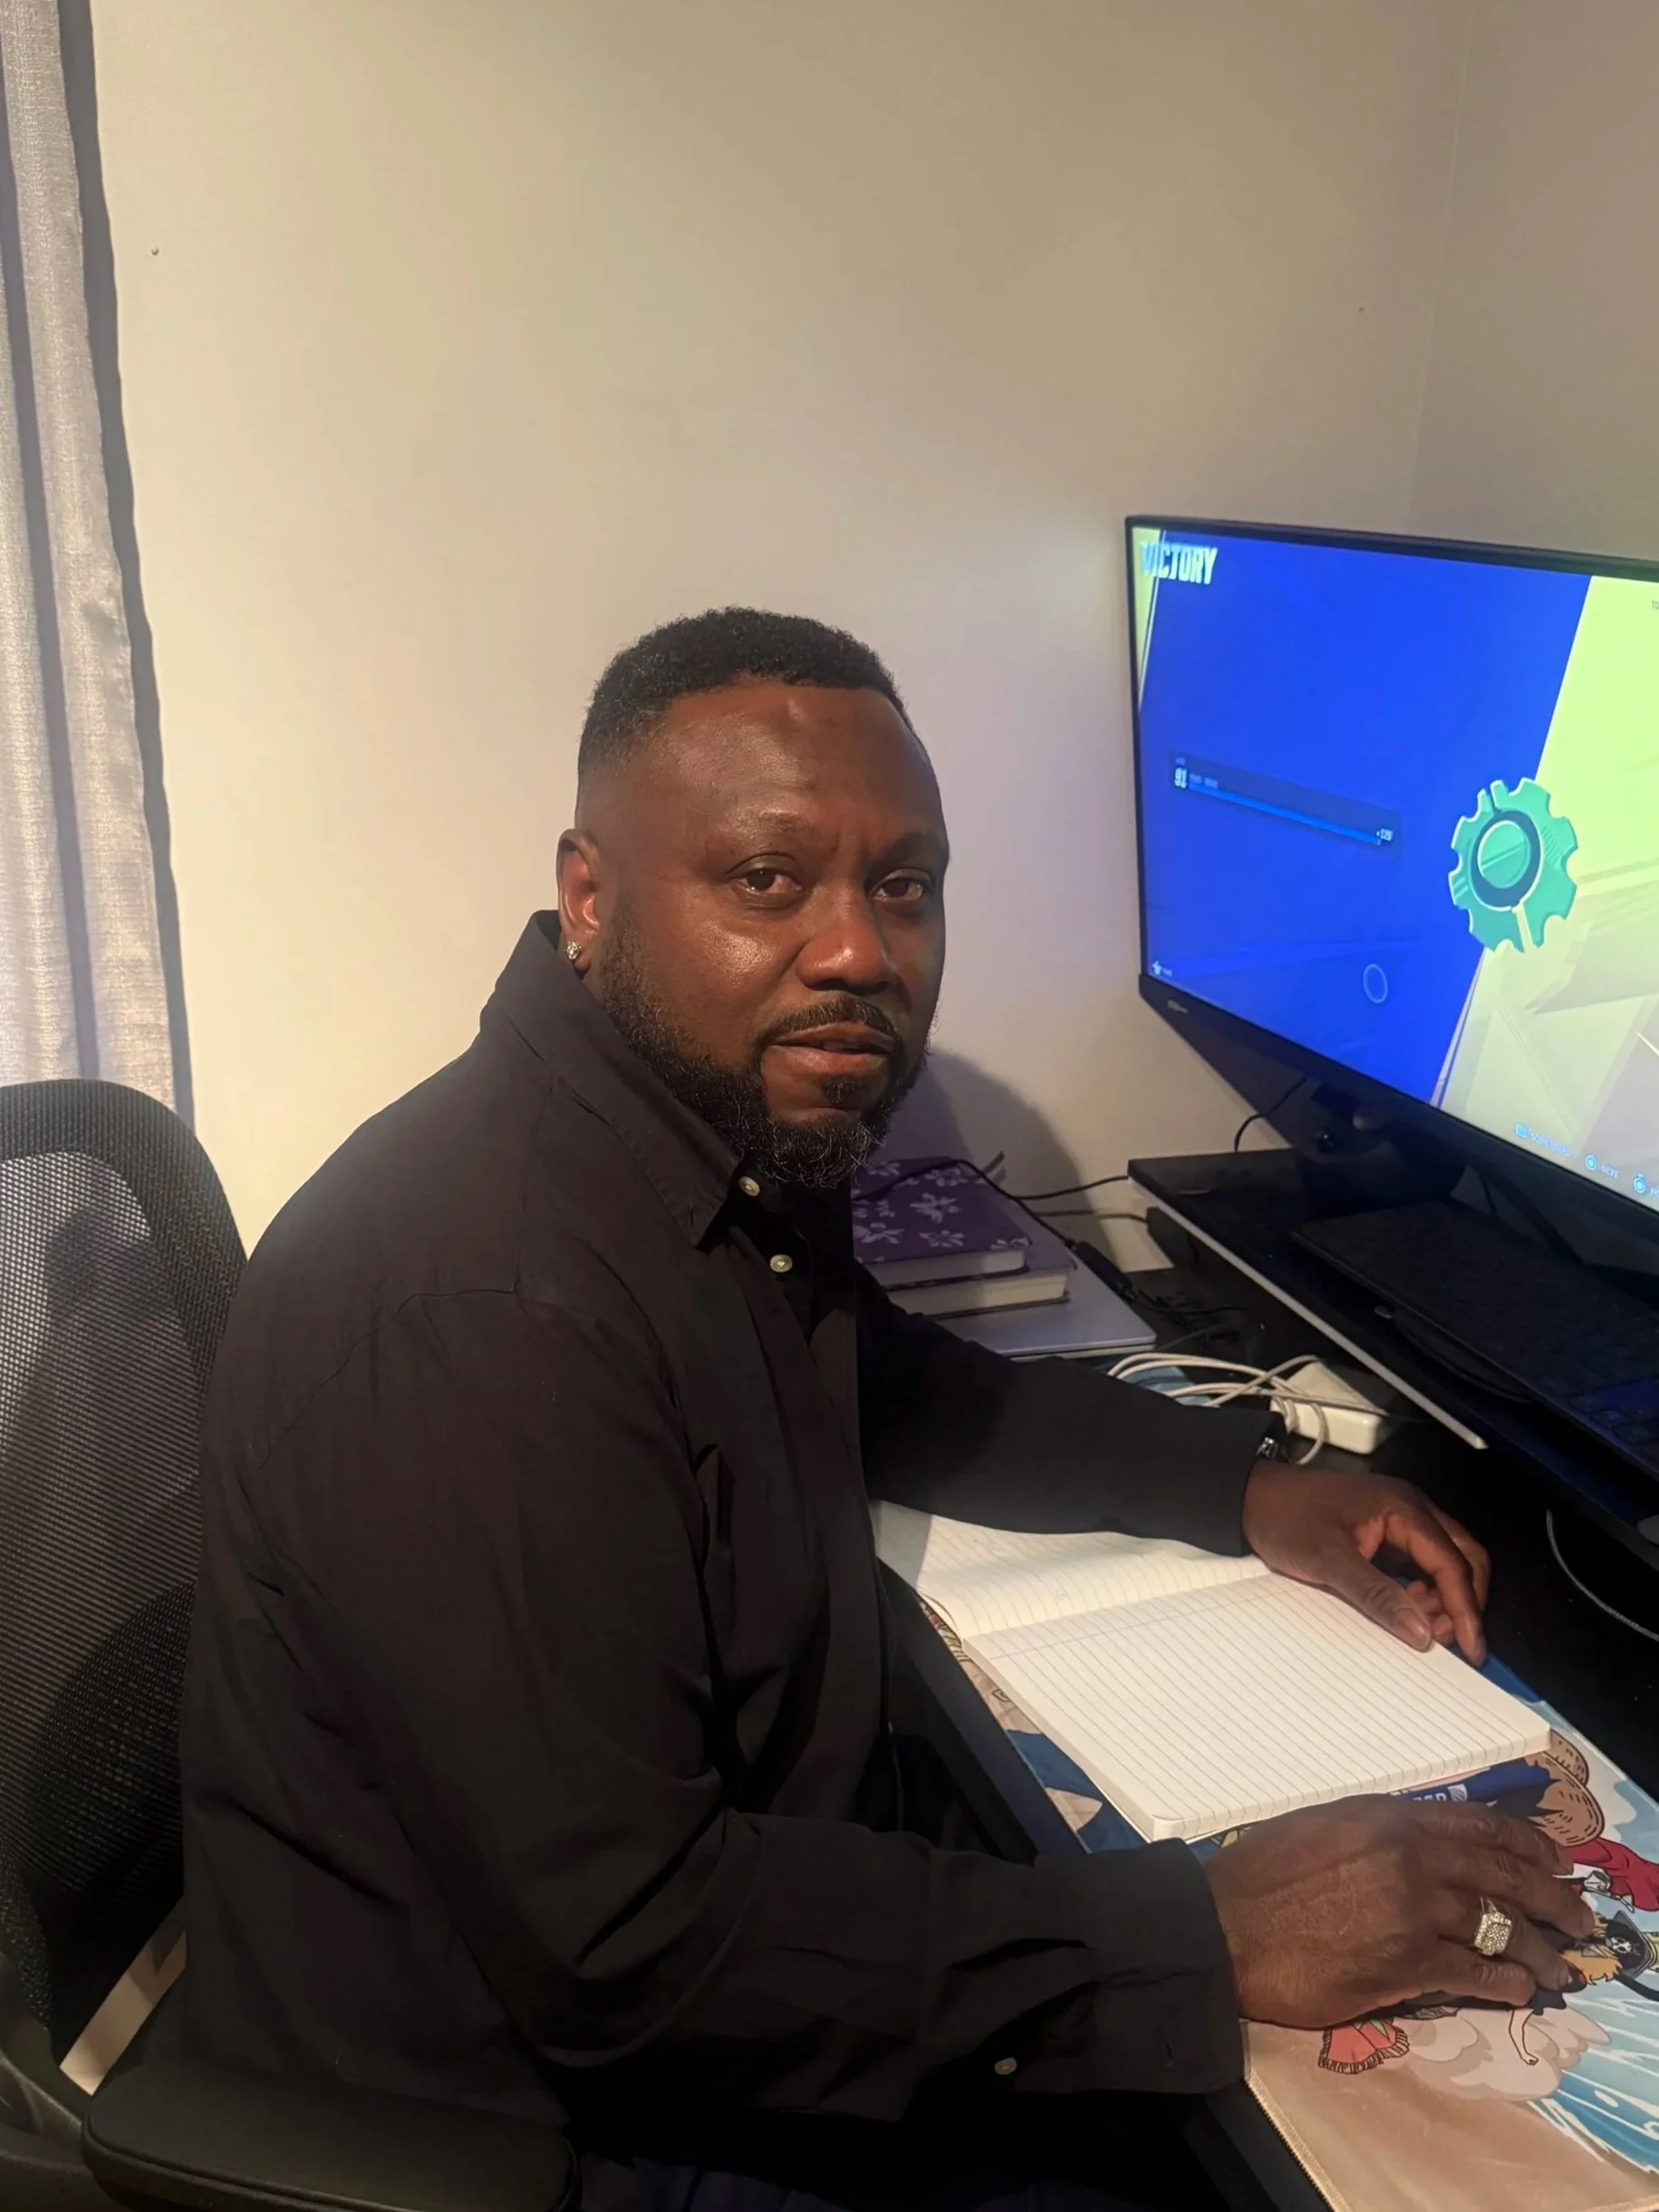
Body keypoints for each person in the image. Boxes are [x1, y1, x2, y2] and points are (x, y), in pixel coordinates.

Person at [184, 609, 1593, 2212]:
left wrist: (1243, 1483)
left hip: (685, 1966)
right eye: (766, 881)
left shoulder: (688, 1146)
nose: (858, 949)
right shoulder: (489, 1319)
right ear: (592, 897)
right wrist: (1202, 1931)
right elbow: (629, 1953)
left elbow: (886, 1390)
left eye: (901, 885)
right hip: (537, 2119)